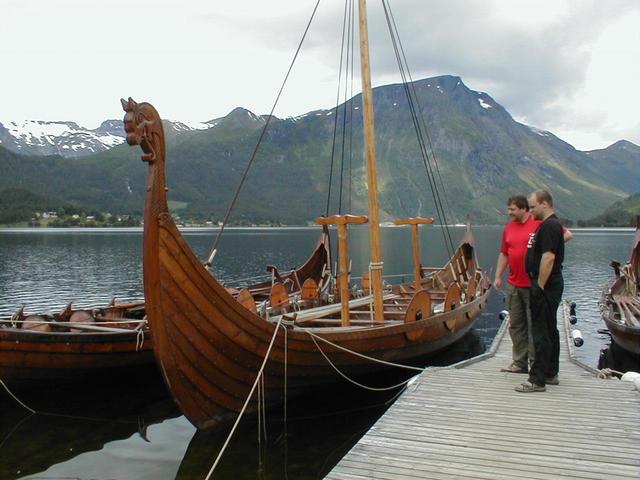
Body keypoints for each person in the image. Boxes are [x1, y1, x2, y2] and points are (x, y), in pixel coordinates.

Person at [495, 195, 571, 375]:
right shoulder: (509, 228)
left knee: (534, 326)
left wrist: (543, 249)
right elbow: (504, 253)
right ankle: (519, 363)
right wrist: (498, 276)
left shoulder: (539, 224)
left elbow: (566, 235)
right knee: (516, 325)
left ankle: (535, 363)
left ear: (524, 209)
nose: (509, 213)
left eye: (512, 209)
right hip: (514, 284)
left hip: (533, 284)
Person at [515, 189, 566, 393]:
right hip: (549, 284)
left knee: (541, 332)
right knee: (550, 329)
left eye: (533, 206)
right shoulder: (549, 225)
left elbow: (548, 258)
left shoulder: (549, 226)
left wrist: (540, 286)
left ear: (545, 204)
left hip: (547, 285)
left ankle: (537, 380)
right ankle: (551, 372)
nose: (530, 209)